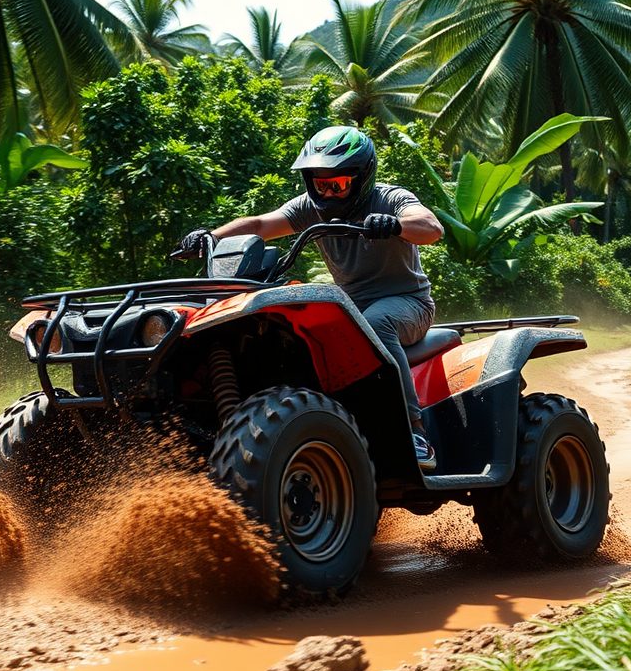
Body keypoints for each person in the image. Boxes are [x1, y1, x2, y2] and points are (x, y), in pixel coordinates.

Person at [179, 126, 444, 471]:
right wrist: (208, 237)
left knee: (377, 322)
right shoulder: (311, 208)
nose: (329, 192)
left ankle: (414, 432)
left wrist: (394, 225)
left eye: (338, 184)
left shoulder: (389, 199)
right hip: (349, 308)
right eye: (321, 184)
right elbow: (260, 225)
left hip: (407, 303)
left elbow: (431, 227)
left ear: (362, 178)